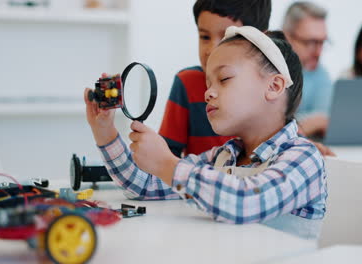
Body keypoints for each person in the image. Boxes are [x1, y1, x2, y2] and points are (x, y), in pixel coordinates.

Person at [84, 26, 327, 240]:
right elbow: (143, 186)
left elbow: (244, 203)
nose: (208, 93)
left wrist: (168, 164)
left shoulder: (303, 157)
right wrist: (105, 134)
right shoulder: (222, 157)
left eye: (224, 78)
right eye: (208, 84)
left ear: (274, 86)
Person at [159, 0, 272, 157]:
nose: (212, 50)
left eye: (228, 37)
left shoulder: (271, 90)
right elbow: (165, 155)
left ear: (262, 40)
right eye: (205, 37)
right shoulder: (186, 84)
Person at [282, 1, 332, 138]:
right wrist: (312, 123)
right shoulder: (263, 70)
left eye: (322, 42)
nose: (318, 52)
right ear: (287, 36)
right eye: (311, 43)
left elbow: (325, 121)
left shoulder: (320, 74)